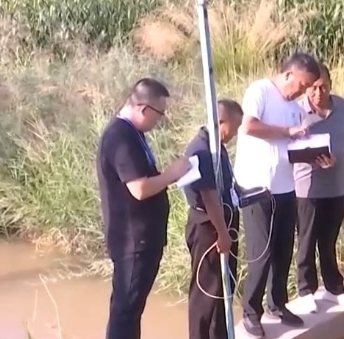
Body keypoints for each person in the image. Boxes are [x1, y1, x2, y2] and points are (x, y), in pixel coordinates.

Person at [95, 78, 192, 339]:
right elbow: (139, 189)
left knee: (131, 309)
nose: (160, 120)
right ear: (143, 109)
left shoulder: (132, 134)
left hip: (142, 238)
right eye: (160, 114)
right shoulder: (120, 137)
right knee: (126, 311)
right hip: (133, 240)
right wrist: (172, 174)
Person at [235, 52, 323, 338]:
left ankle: (277, 304)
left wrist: (315, 155)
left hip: (286, 187)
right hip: (257, 187)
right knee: (260, 253)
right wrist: (288, 131)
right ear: (288, 74)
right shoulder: (260, 90)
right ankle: (251, 312)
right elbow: (248, 126)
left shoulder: (295, 108)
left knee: (283, 251)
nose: (302, 92)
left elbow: (291, 148)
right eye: (302, 85)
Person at [292, 64, 344, 313]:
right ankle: (306, 291)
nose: (318, 93)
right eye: (313, 88)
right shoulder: (296, 111)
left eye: (323, 87)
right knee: (306, 242)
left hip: (337, 187)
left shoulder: (341, 106)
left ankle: (334, 289)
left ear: (330, 85)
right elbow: (287, 148)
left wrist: (335, 159)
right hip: (306, 189)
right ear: (306, 87)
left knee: (329, 241)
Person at [184, 99, 245, 339]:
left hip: (223, 223)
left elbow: (225, 186)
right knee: (206, 292)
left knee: (223, 288)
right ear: (220, 122)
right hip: (208, 228)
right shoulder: (202, 149)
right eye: (234, 128)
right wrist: (222, 234)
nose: (235, 134)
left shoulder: (216, 146)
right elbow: (209, 197)